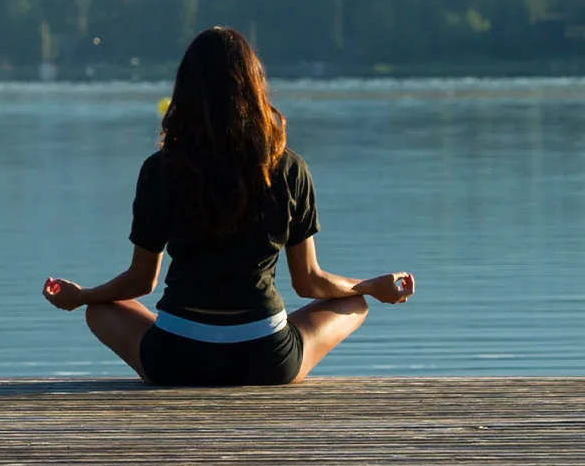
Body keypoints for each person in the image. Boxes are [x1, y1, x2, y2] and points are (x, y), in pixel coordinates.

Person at [42, 25, 414, 384]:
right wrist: (370, 286)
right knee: (355, 303)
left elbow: (141, 280)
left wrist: (82, 296)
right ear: (254, 86)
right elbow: (309, 282)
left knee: (100, 309)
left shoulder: (160, 169)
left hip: (174, 359)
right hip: (266, 359)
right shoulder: (288, 168)